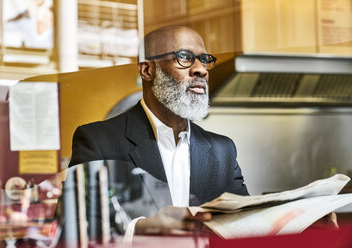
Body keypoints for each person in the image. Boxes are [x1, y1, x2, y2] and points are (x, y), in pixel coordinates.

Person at [69, 25, 249, 235]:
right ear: (147, 70)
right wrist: (139, 229)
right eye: (184, 57)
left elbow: (243, 223)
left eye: (204, 59)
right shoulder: (97, 140)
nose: (201, 69)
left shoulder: (223, 149)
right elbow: (81, 228)